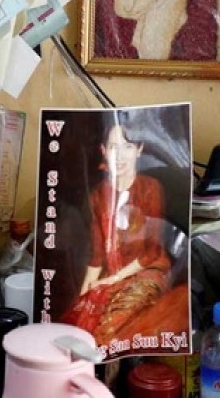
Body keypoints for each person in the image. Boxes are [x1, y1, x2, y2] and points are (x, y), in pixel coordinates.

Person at [60, 122, 176, 343]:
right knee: (77, 320)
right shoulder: (98, 195)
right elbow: (96, 255)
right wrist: (83, 296)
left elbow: (152, 253)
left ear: (139, 149)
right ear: (103, 151)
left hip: (147, 272)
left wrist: (112, 279)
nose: (120, 156)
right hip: (113, 276)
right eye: (113, 147)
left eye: (128, 147)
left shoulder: (151, 188)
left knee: (109, 327)